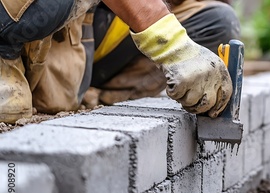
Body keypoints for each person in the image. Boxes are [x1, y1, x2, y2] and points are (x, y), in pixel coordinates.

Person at [0, 0, 235, 124]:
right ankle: (6, 58)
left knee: (217, 21)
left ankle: (101, 97)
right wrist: (173, 46)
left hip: (82, 25)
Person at [86, 0, 240, 106]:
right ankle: (75, 89)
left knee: (219, 21)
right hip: (87, 18)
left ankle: (110, 100)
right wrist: (174, 44)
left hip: (112, 45)